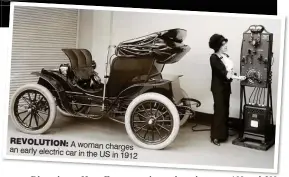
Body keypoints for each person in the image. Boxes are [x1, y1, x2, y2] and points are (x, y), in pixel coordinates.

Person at [208, 34, 246, 146]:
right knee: (219, 111)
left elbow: (230, 72)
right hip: (218, 88)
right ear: (217, 46)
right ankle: (215, 136)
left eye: (225, 44)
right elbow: (223, 72)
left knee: (225, 110)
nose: (225, 46)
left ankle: (223, 134)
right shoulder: (213, 57)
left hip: (225, 87)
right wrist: (238, 77)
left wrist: (235, 76)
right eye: (223, 44)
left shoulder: (225, 56)